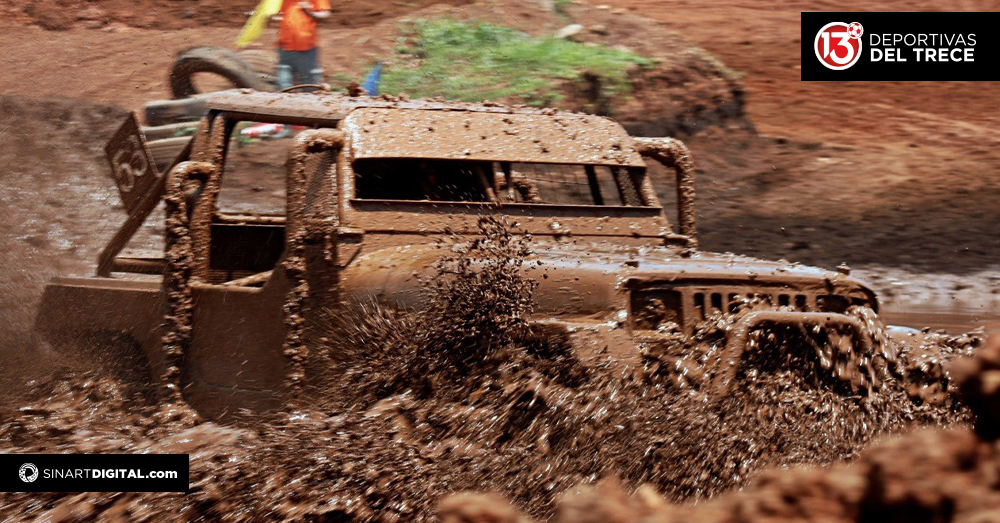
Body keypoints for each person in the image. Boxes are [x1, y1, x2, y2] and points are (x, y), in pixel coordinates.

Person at [273, 0, 331, 88]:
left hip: (306, 48)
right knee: (283, 83)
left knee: (309, 83)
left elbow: (325, 14)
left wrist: (308, 12)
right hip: (285, 46)